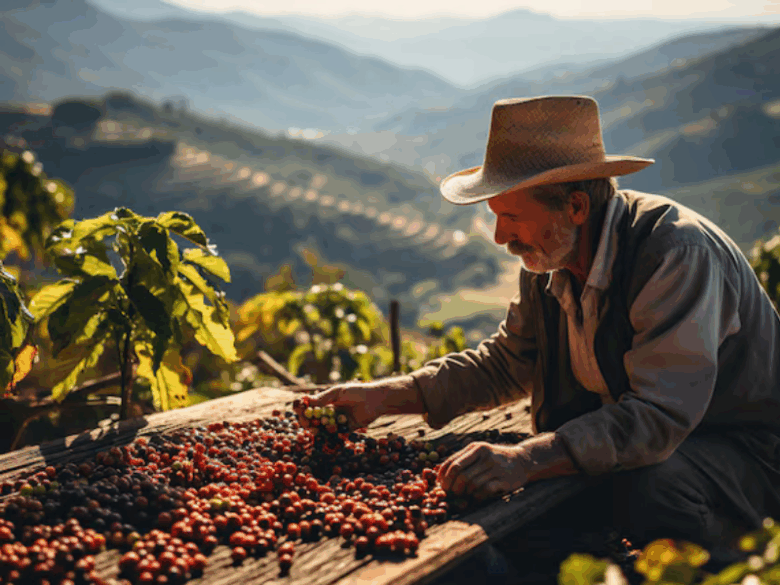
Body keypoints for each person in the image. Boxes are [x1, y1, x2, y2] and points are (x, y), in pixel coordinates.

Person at [309, 95, 780, 573]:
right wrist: (387, 396)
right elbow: (505, 363)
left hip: (745, 455)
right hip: (665, 444)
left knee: (646, 482)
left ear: (575, 206)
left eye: (510, 217)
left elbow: (658, 418)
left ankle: (721, 568)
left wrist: (526, 460)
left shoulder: (673, 254)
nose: (498, 236)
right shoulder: (549, 258)